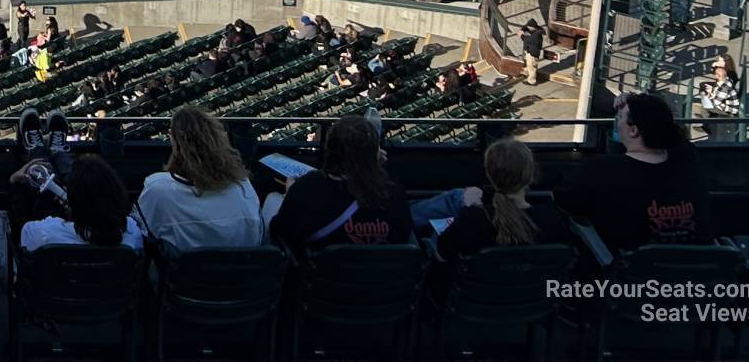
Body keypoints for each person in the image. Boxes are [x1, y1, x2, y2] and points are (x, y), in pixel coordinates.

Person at [562, 92, 706, 250]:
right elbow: (677, 137)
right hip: (695, 268)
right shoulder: (688, 159)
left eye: (620, 118)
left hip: (630, 270)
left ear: (634, 131)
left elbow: (564, 199)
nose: (618, 121)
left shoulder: (601, 169)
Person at [265, 114, 413, 250]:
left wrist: (291, 194)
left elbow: (279, 234)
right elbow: (402, 237)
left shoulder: (308, 187)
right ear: (376, 154)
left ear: (330, 150)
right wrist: (372, 166)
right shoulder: (394, 193)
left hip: (320, 277)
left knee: (273, 199)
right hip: (383, 277)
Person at [133, 106, 263, 250]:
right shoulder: (242, 184)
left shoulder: (157, 187)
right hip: (241, 271)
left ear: (174, 139)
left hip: (182, 272)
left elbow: (140, 232)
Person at [423, 138, 576, 261]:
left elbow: (442, 254)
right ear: (531, 176)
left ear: (489, 175)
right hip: (539, 297)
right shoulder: (554, 220)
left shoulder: (473, 219)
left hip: (481, 296)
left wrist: (469, 209)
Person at [16, 153, 145, 252]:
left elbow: (21, 233)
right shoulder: (132, 232)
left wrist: (14, 182)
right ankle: (57, 151)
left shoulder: (45, 232)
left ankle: (44, 151)